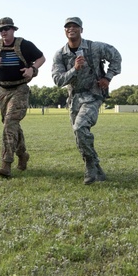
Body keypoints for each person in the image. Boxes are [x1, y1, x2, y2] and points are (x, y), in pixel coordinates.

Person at [51, 17, 121, 184]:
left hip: (93, 94)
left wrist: (108, 78)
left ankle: (89, 166)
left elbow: (116, 56)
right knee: (79, 134)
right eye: (68, 27)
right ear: (64, 31)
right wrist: (74, 69)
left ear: (81, 30)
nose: (71, 29)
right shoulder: (60, 54)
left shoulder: (94, 47)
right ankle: (97, 168)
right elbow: (58, 80)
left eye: (75, 26)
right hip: (74, 98)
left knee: (80, 126)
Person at [0, 17, 46, 178]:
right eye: (0, 30)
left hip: (20, 89)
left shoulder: (24, 45)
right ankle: (22, 154)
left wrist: (32, 68)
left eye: (7, 29)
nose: (3, 32)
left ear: (13, 30)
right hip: (3, 91)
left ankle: (6, 163)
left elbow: (41, 58)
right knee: (11, 125)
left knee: (10, 122)